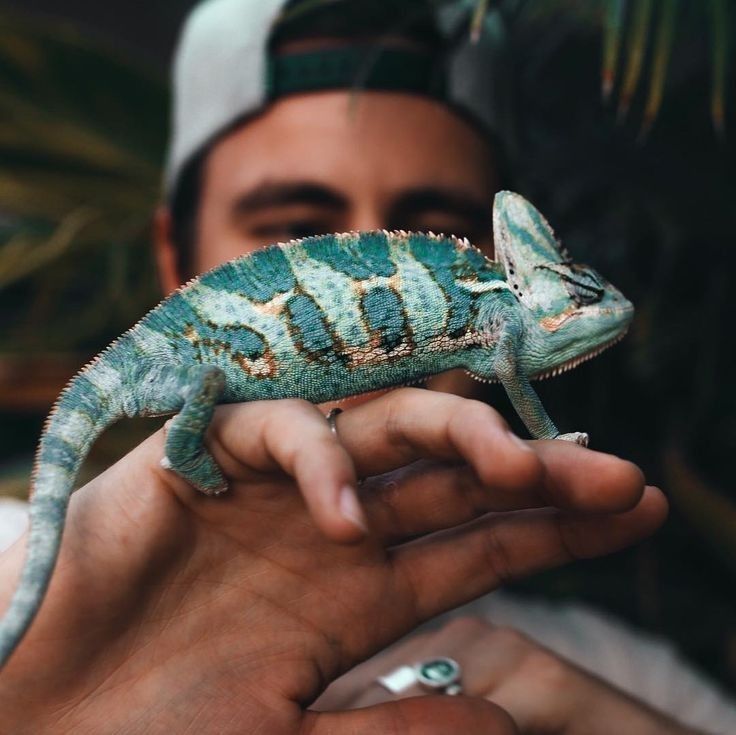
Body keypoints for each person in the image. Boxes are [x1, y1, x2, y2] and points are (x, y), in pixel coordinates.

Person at [0, 1, 731, 733]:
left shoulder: (619, 666)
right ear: (170, 253)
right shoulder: (24, 551)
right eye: (298, 226)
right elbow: (519, 388)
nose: (356, 238)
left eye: (435, 218)